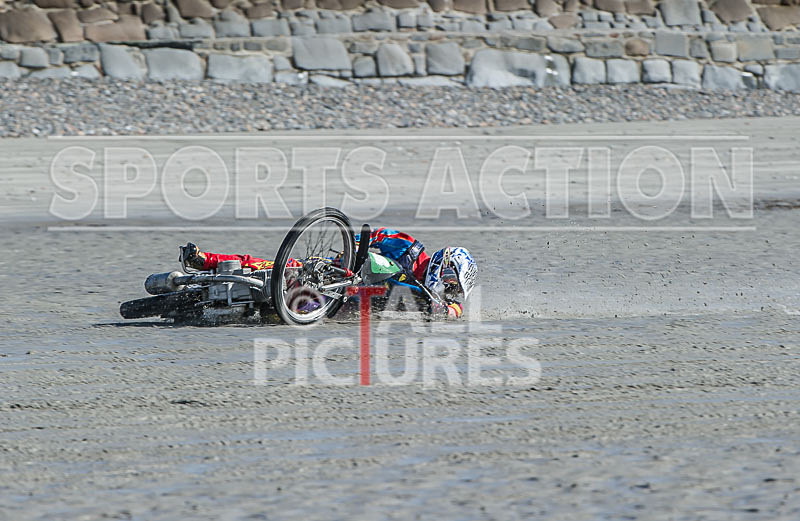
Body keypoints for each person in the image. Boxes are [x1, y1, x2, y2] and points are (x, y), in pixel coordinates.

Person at [179, 227, 476, 319]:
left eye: (453, 287)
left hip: (347, 305)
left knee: (273, 309)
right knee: (276, 267)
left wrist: (449, 310)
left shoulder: (426, 297)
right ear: (444, 263)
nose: (448, 287)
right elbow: (375, 236)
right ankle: (205, 260)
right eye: (451, 281)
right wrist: (357, 247)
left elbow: (455, 310)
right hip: (339, 273)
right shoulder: (409, 248)